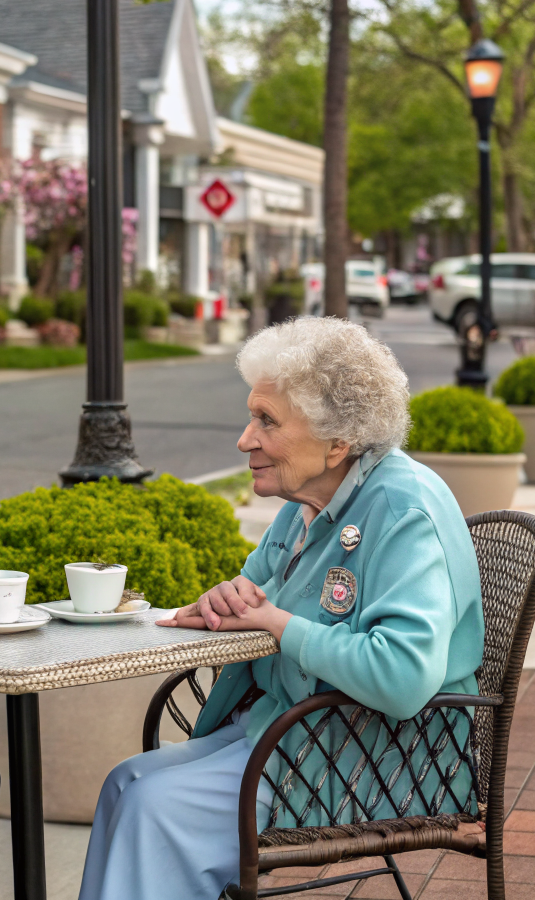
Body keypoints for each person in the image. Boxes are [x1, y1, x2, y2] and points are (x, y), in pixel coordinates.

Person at [78, 316, 486, 900]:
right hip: (293, 728)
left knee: (151, 807)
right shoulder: (306, 503)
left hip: (379, 757)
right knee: (125, 783)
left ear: (338, 440)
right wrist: (223, 600)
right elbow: (253, 594)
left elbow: (402, 678)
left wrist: (277, 623)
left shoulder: (403, 512)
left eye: (267, 421)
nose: (245, 439)